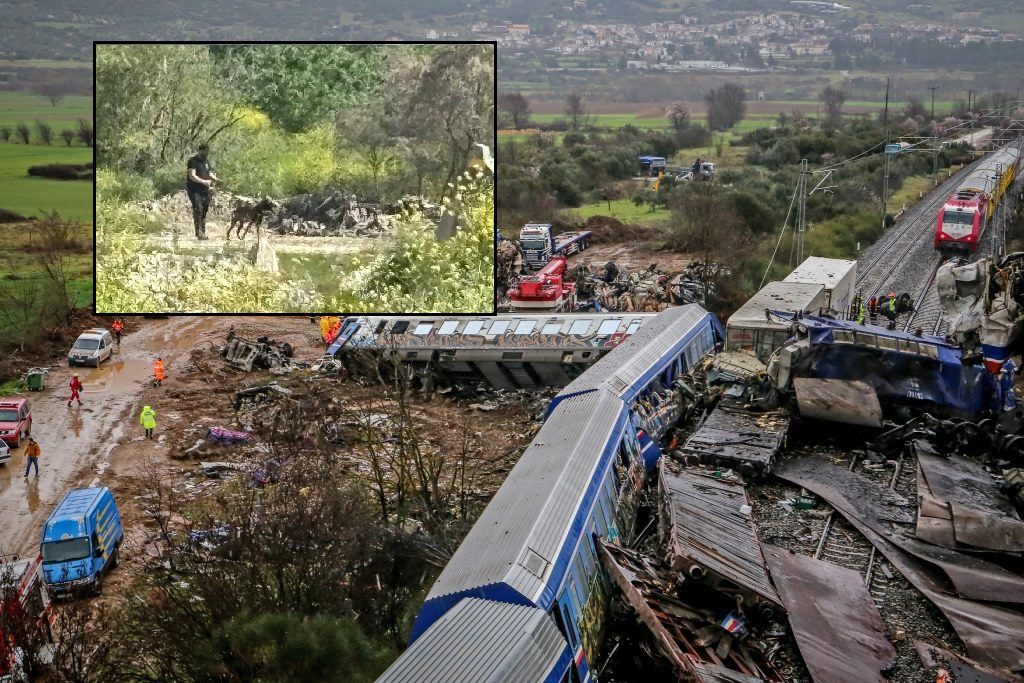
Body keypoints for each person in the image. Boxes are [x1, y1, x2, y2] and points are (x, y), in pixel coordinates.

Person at [186, 143, 219, 240]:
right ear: (200, 150)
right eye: (205, 151)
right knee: (198, 208)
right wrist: (204, 182)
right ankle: (199, 233)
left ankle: (202, 232)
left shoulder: (206, 161)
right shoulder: (192, 161)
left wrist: (217, 180)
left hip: (205, 190)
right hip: (194, 190)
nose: (206, 153)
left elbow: (210, 173)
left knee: (204, 209)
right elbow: (192, 176)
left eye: (207, 151)